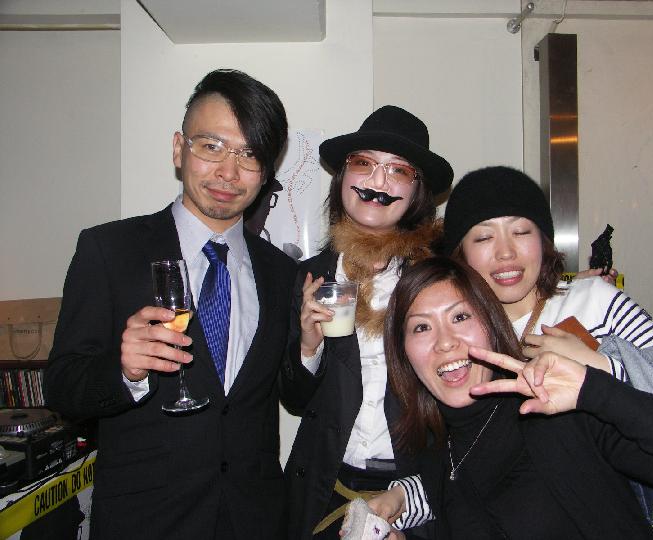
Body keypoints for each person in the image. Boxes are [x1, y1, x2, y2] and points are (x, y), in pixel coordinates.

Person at [44, 69, 296, 539]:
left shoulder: (282, 273)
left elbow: (289, 393)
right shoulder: (109, 250)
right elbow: (61, 387)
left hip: (254, 519)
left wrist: (312, 349)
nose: (229, 173)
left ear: (266, 170)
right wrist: (124, 371)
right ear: (179, 149)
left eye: (249, 154)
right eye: (212, 146)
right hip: (146, 521)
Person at [440, 165, 653, 537]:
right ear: (461, 255)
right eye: (484, 237)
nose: (505, 252)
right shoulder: (468, 341)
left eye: (521, 231)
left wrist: (600, 364)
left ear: (544, 240)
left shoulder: (593, 301)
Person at [375, 256, 653, 539]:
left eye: (460, 316)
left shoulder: (553, 410)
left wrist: (596, 391)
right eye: (421, 327)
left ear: (491, 326)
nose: (445, 342)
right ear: (404, 352)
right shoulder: (437, 452)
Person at [279, 105, 453, 539]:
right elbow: (295, 400)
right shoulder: (311, 275)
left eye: (398, 170)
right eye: (364, 163)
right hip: (324, 485)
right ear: (343, 177)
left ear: (417, 191)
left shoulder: (438, 279)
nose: (377, 182)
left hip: (412, 491)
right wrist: (308, 345)